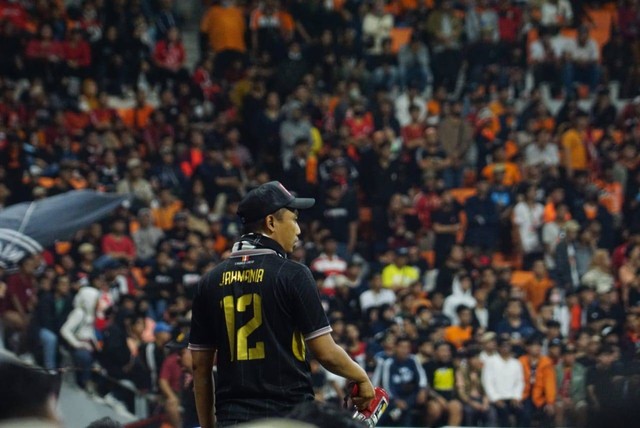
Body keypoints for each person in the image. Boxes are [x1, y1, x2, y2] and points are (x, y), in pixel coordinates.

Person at [189, 181, 374, 427]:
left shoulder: (208, 282)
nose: (298, 230)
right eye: (294, 220)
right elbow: (326, 353)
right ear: (271, 222)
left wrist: (208, 426)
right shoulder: (293, 274)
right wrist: (360, 377)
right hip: (288, 416)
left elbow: (200, 369)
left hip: (233, 419)